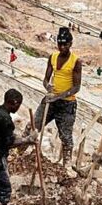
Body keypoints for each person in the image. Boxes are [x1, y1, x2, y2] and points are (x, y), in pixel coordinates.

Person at [35, 26, 82, 168]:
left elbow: (76, 87)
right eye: (59, 44)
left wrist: (59, 96)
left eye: (65, 45)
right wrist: (47, 87)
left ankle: (67, 165)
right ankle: (19, 153)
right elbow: (46, 79)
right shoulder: (53, 57)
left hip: (67, 104)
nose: (62, 47)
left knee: (66, 137)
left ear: (70, 44)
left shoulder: (75, 61)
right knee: (34, 126)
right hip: (51, 100)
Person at [0, 89, 35, 205]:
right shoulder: (5, 119)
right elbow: (10, 143)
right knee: (5, 188)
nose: (18, 108)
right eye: (19, 105)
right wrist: (28, 140)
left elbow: (4, 134)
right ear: (14, 103)